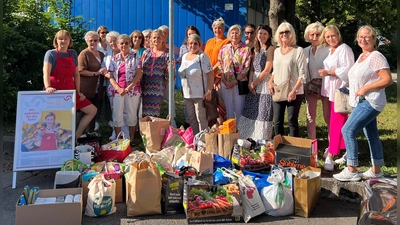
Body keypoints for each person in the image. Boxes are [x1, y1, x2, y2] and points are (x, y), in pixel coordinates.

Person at [333, 25, 392, 181]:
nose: (363, 39)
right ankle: (376, 170)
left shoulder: (376, 56)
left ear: (374, 39)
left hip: (370, 101)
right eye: (360, 37)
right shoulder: (362, 56)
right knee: (371, 134)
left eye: (367, 37)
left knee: (347, 130)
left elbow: (387, 79)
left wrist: (366, 88)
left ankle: (351, 169)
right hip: (362, 100)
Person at [43, 30, 96, 140]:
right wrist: (48, 87)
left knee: (92, 110)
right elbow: (46, 72)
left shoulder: (73, 53)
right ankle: (55, 142)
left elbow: (76, 74)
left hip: (70, 91)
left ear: (69, 41)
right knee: (58, 118)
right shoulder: (51, 53)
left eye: (66, 38)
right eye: (60, 39)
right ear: (56, 41)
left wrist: (79, 91)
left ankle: (75, 137)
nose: (63, 41)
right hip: (54, 92)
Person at [318, 25, 354, 171]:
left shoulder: (344, 48)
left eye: (333, 35)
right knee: (338, 122)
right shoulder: (330, 50)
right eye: (327, 36)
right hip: (331, 91)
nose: (331, 38)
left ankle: (331, 155)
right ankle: (348, 152)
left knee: (336, 122)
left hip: (340, 90)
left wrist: (329, 72)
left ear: (338, 35)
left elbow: (348, 69)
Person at [268, 22, 306, 137]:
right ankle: (278, 148)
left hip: (294, 91)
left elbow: (302, 75)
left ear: (292, 34)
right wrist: (270, 82)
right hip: (278, 90)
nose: (284, 34)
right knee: (278, 121)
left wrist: (294, 90)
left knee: (292, 121)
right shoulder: (276, 51)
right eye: (281, 32)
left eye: (287, 32)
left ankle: (293, 149)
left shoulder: (298, 50)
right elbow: (275, 70)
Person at [238, 24, 275, 140]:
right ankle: (248, 138)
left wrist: (255, 83)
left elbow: (267, 70)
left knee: (263, 113)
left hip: (263, 84)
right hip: (253, 84)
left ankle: (261, 140)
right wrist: (250, 82)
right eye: (260, 33)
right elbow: (252, 68)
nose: (262, 36)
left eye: (265, 34)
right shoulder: (255, 49)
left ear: (269, 36)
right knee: (251, 112)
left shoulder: (270, 49)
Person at [106, 34, 142, 144]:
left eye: (126, 43)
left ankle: (130, 140)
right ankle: (118, 140)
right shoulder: (114, 58)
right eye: (121, 43)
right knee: (117, 115)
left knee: (131, 115)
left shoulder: (135, 56)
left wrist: (127, 88)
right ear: (118, 45)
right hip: (117, 91)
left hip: (132, 91)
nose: (124, 45)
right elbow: (111, 77)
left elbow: (138, 75)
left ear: (130, 44)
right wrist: (118, 88)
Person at [178, 34, 214, 134]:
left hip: (200, 94)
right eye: (190, 43)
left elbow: (211, 74)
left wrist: (209, 90)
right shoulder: (185, 56)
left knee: (201, 118)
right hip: (187, 93)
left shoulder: (202, 57)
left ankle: (204, 141)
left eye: (195, 43)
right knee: (191, 119)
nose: (192, 46)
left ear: (199, 44)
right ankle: (195, 140)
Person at [217, 24, 252, 121]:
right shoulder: (224, 48)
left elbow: (246, 68)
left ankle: (240, 133)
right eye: (232, 33)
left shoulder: (246, 49)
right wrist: (223, 78)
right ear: (229, 34)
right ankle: (230, 133)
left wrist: (235, 81)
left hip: (239, 83)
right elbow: (220, 63)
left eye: (237, 33)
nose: (234, 35)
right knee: (229, 110)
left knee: (239, 109)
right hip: (226, 83)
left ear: (240, 35)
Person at [303, 22, 330, 140]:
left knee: (328, 117)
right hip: (310, 86)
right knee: (310, 116)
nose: (314, 37)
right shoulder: (305, 51)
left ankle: (332, 145)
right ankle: (311, 142)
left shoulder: (328, 50)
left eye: (318, 34)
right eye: (312, 34)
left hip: (326, 86)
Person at [78, 31, 105, 135]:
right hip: (86, 88)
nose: (93, 42)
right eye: (91, 40)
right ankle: (79, 135)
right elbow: (80, 70)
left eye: (95, 40)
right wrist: (95, 73)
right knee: (84, 112)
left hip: (98, 88)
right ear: (86, 42)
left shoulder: (102, 54)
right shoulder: (84, 53)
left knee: (95, 111)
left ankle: (91, 133)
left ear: (98, 41)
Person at [204, 17, 230, 123]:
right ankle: (212, 126)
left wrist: (212, 70)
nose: (217, 30)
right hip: (208, 77)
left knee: (220, 104)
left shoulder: (226, 41)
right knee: (210, 102)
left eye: (220, 28)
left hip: (219, 77)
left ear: (223, 29)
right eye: (215, 28)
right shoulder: (209, 41)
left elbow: (223, 59)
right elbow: (205, 57)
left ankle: (222, 126)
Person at [140, 29, 169, 117]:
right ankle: (143, 130)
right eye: (154, 37)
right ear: (151, 39)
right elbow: (140, 68)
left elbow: (170, 74)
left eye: (158, 37)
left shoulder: (167, 54)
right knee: (143, 112)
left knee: (154, 113)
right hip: (144, 86)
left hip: (157, 88)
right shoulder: (146, 52)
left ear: (163, 39)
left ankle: (153, 130)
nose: (156, 39)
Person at [178, 26, 202, 126]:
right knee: (187, 101)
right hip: (186, 78)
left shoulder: (200, 48)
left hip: (197, 80)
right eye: (189, 34)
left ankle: (199, 125)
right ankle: (189, 122)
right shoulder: (183, 48)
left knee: (199, 107)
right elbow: (181, 60)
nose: (191, 36)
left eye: (193, 34)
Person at [101, 31, 123, 140]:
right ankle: (115, 132)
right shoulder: (107, 55)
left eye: (114, 41)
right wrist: (105, 72)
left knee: (124, 110)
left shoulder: (124, 53)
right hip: (111, 87)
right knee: (114, 110)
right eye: (110, 41)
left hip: (124, 86)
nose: (113, 43)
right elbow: (103, 68)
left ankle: (125, 131)